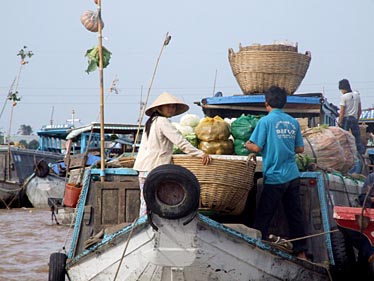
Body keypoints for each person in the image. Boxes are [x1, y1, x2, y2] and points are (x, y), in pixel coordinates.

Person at [244, 86, 307, 260]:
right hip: (292, 175)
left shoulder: (266, 121)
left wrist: (246, 145)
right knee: (294, 215)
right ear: (284, 103)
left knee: (264, 214)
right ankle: (301, 253)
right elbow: (300, 148)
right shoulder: (292, 122)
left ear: (266, 103)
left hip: (275, 176)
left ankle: (255, 249)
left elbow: (256, 147)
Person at [133, 92, 211, 216]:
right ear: (159, 108)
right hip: (155, 168)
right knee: (157, 202)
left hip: (144, 168)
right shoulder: (162, 121)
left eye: (173, 106)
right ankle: (150, 227)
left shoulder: (152, 121)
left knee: (146, 202)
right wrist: (200, 154)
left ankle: (144, 224)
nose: (171, 109)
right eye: (168, 106)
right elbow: (180, 141)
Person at [337, 78, 365, 154]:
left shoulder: (344, 97)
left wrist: (339, 122)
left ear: (343, 88)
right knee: (357, 138)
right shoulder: (357, 96)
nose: (341, 92)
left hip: (346, 119)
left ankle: (345, 152)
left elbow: (342, 111)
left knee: (344, 137)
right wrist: (357, 119)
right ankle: (360, 153)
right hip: (354, 118)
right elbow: (359, 110)